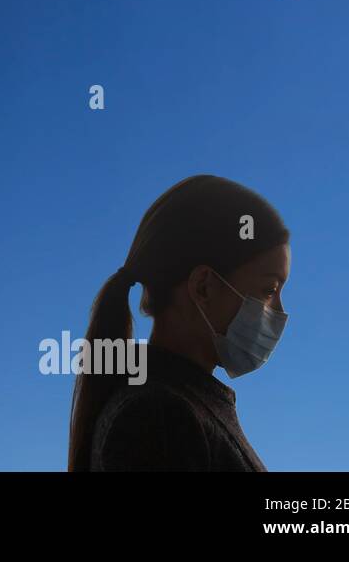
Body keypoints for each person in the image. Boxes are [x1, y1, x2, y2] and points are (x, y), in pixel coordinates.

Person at [67, 175, 291, 471]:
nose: (280, 311)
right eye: (269, 290)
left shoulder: (178, 407)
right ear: (203, 287)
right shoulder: (158, 418)